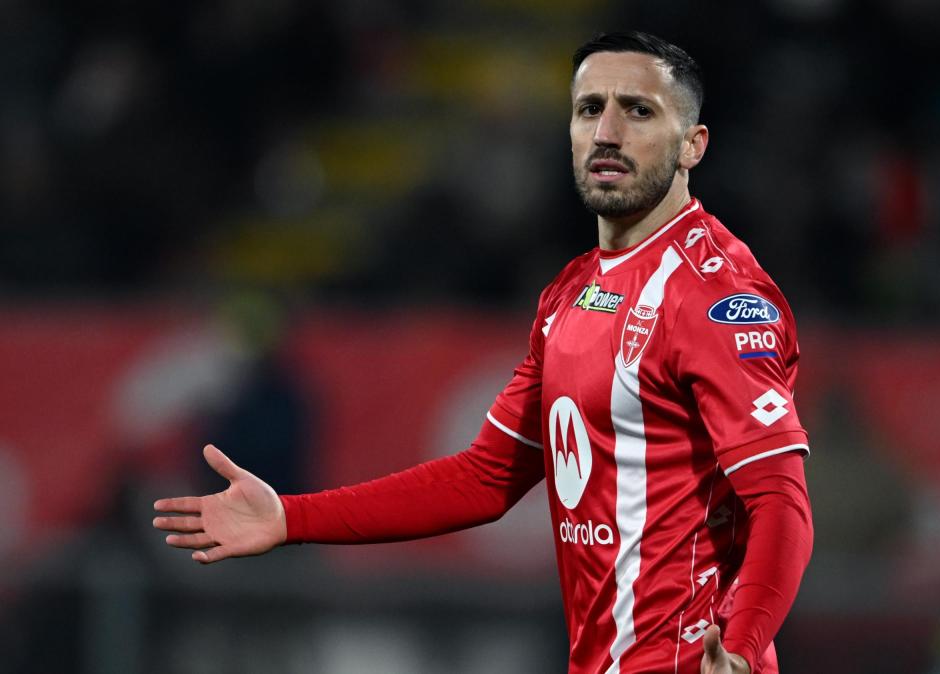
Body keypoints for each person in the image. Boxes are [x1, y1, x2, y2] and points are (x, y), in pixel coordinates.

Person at [153, 31, 814, 674]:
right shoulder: (571, 293)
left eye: (638, 111)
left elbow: (781, 501)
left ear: (693, 144)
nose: (607, 132)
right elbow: (485, 479)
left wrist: (741, 645)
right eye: (590, 109)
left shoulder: (716, 296)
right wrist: (291, 516)